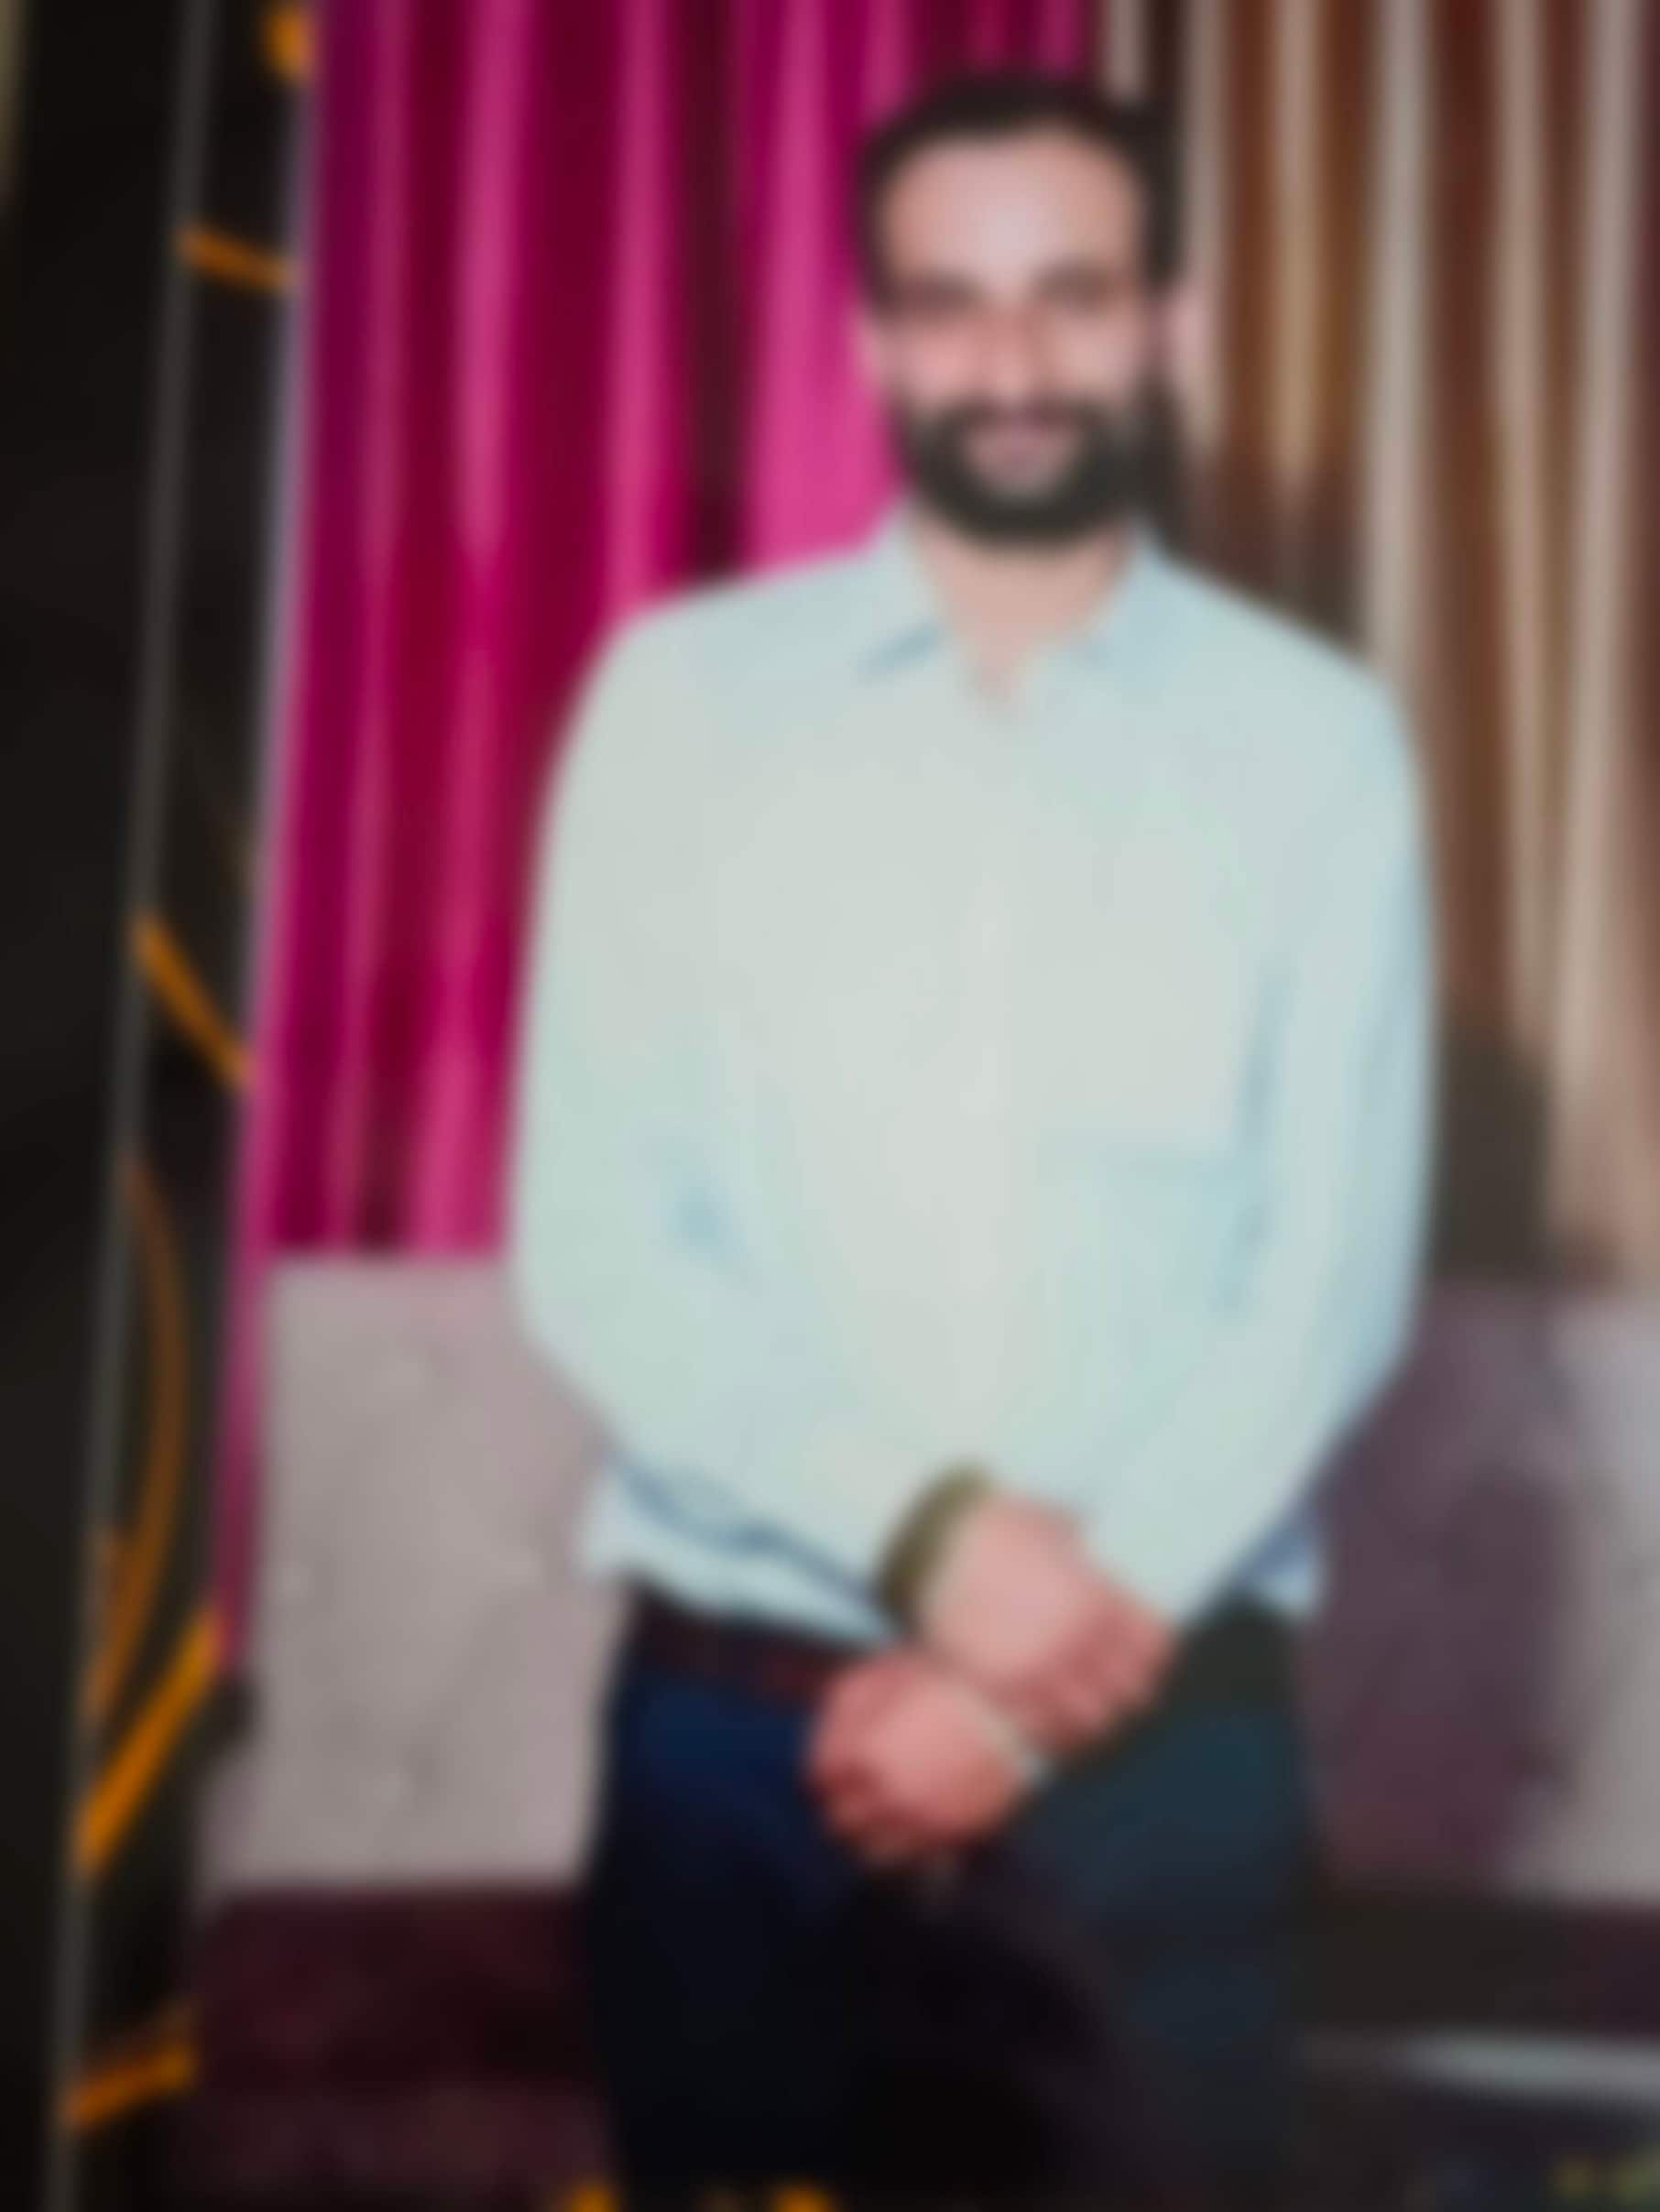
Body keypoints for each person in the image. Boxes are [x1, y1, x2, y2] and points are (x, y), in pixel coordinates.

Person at [508, 70, 1434, 2212]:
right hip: (738, 1753)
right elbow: (594, 1238)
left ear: (1172, 325)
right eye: (951, 304)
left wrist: (1023, 1701)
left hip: (1158, 1758)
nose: (1011, 366)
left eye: (1072, 297)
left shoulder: (1317, 747)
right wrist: (928, 1532)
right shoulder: (682, 702)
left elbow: (1321, 1288)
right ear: (874, 342)